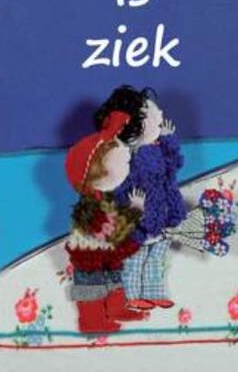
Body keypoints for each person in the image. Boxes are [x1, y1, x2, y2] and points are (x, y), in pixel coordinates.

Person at [96, 86, 187, 311]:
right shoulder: (123, 156)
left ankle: (154, 292)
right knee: (135, 259)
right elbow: (118, 188)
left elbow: (173, 166)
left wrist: (168, 141)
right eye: (152, 117)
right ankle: (132, 294)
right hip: (138, 219)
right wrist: (133, 207)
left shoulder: (155, 148)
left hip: (161, 214)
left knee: (157, 258)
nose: (160, 117)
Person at [65, 109, 150, 333]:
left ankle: (115, 309)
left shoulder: (104, 199)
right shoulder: (92, 208)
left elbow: (115, 228)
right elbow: (116, 233)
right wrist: (134, 214)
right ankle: (91, 322)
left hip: (105, 253)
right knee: (91, 288)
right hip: (90, 258)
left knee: (114, 277)